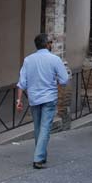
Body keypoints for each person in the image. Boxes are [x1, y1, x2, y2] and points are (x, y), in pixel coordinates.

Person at [16, 33, 69, 169]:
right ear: (47, 44)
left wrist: (19, 99)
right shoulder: (55, 59)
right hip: (49, 97)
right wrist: (55, 82)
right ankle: (38, 158)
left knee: (38, 128)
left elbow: (22, 82)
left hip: (34, 98)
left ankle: (41, 155)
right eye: (50, 42)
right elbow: (64, 80)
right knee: (45, 128)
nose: (51, 44)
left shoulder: (28, 60)